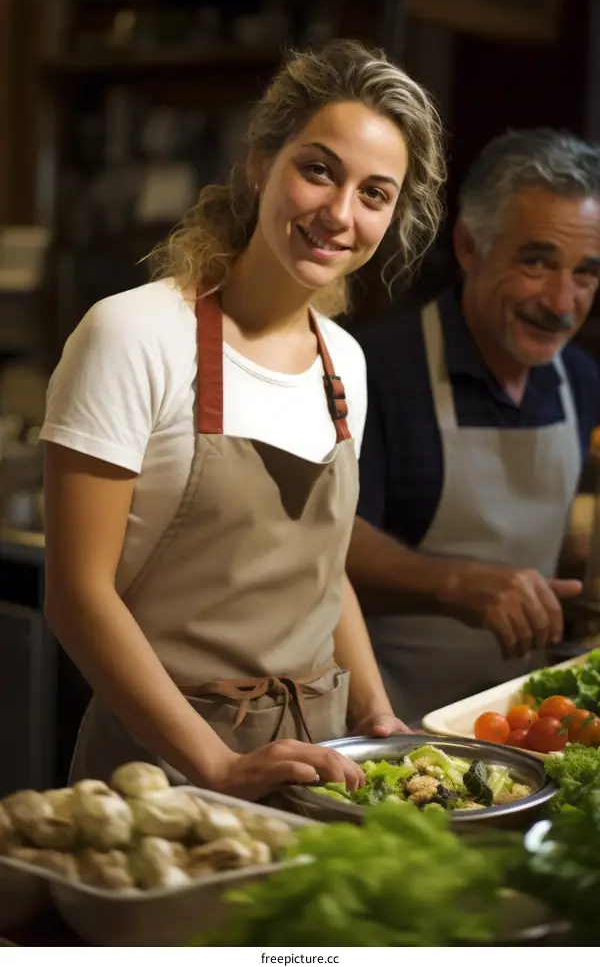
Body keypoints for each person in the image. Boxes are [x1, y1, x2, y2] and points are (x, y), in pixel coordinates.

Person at [40, 39, 445, 800]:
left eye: (374, 193)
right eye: (318, 169)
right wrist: (218, 764)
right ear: (261, 161)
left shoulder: (344, 364)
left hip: (321, 767)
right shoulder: (133, 335)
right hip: (160, 778)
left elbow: (323, 575)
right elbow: (76, 593)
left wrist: (376, 710)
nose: (338, 213)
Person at [348, 128, 600, 723]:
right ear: (468, 246)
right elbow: (321, 543)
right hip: (386, 724)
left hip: (523, 726)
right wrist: (457, 582)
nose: (562, 303)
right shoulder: (375, 369)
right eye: (537, 262)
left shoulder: (583, 380)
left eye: (586, 273)